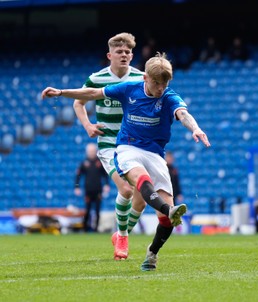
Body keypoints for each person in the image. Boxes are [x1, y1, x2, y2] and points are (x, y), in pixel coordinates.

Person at [41, 52, 211, 271]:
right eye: (157, 83)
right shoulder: (129, 88)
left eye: (165, 83)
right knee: (141, 180)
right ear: (145, 79)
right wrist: (62, 92)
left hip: (155, 154)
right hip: (128, 147)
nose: (161, 87)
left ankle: (152, 253)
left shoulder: (168, 97)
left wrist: (195, 128)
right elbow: (93, 92)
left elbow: (183, 113)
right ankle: (163, 211)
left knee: (166, 220)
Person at [72, 32, 145, 260]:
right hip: (109, 144)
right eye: (119, 52)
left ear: (132, 55)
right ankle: (123, 238)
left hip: (135, 145)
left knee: (141, 200)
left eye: (127, 52)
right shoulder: (97, 78)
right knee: (125, 189)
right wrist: (88, 126)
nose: (124, 55)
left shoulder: (141, 78)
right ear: (109, 55)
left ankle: (120, 234)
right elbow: (79, 102)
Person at [74, 143, 110, 232]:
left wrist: (106, 185)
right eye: (90, 151)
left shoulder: (99, 163)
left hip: (98, 190)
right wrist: (77, 187)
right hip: (88, 190)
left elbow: (105, 175)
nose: (91, 153)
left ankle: (96, 229)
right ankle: (85, 228)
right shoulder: (84, 163)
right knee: (87, 210)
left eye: (93, 151)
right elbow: (78, 176)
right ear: (87, 152)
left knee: (97, 211)